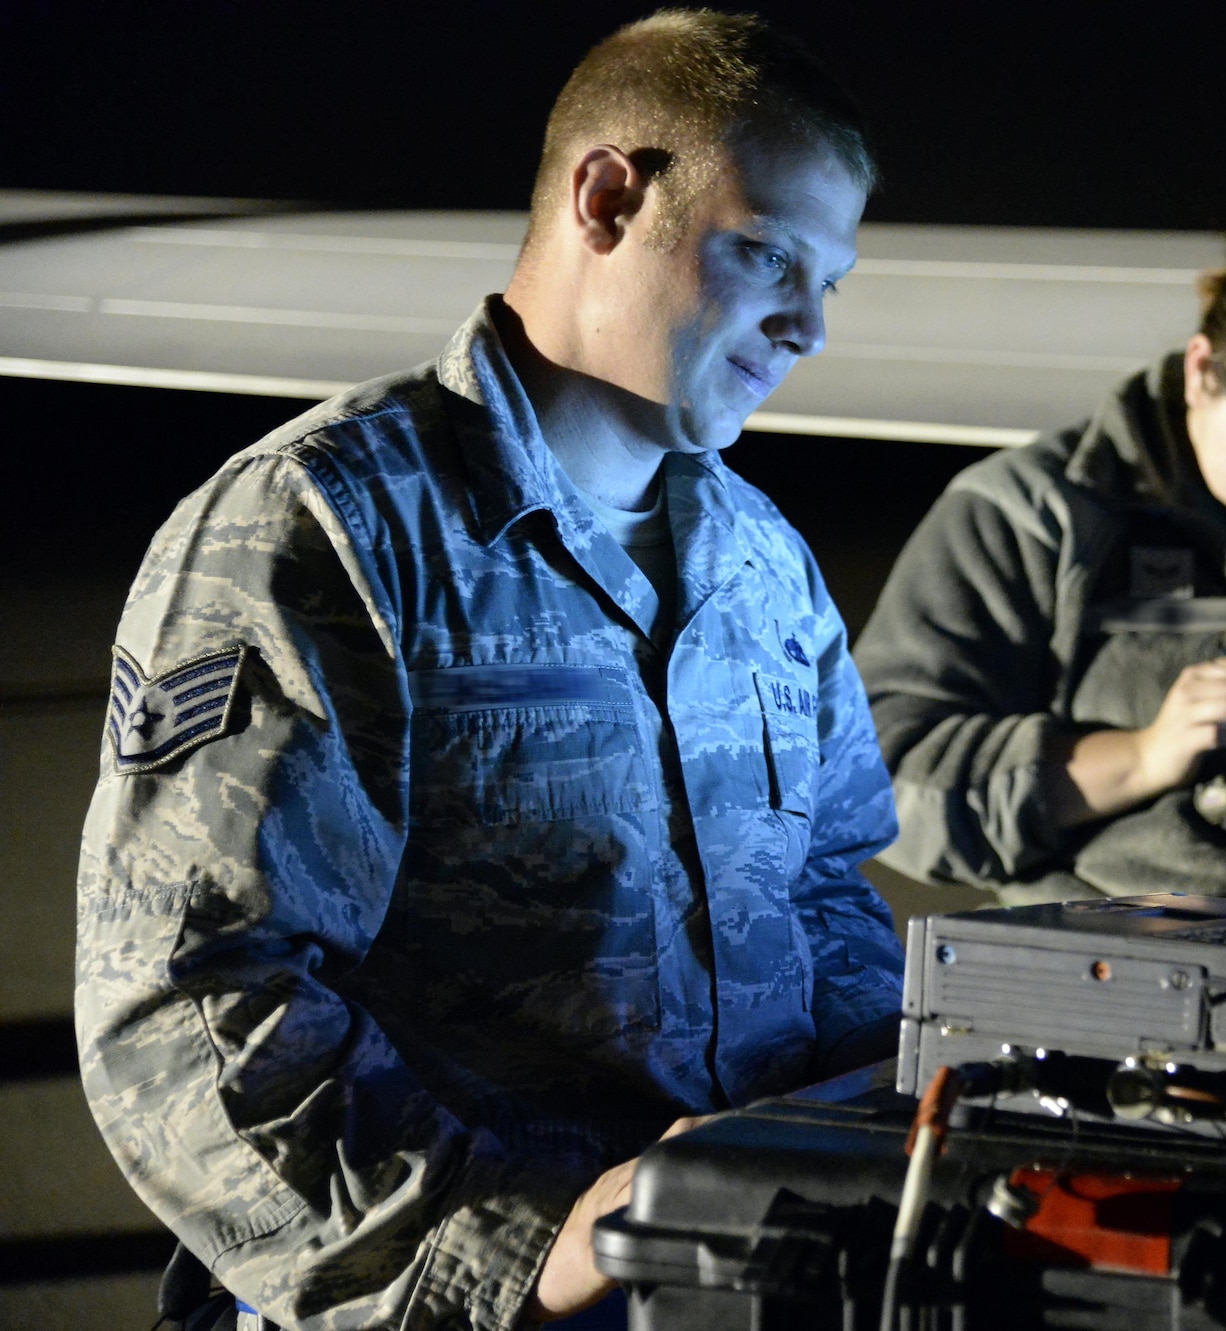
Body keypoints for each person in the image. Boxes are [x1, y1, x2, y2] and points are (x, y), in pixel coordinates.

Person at [73, 11, 903, 1328]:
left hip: (729, 1280)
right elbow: (185, 1005)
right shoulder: (330, 525)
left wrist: (902, 1110)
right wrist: (519, 1246)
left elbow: (826, 886)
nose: (807, 324)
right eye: (767, 256)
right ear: (610, 196)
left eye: (832, 281)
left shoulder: (761, 560)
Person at [853, 218, 1226, 905]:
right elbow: (880, 786)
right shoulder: (1038, 514)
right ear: (1202, 371)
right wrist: (1144, 755)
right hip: (1098, 966)